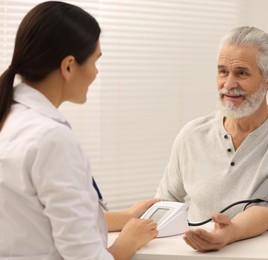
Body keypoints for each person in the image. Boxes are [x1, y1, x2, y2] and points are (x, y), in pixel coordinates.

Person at [0, 2, 158, 259]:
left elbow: (38, 217)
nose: (96, 72)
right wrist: (128, 242)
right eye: (95, 61)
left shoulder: (10, 117)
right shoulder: (50, 138)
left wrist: (127, 217)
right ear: (69, 66)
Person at [155, 26, 268, 252]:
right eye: (223, 71)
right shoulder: (191, 135)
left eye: (241, 73)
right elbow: (165, 203)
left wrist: (230, 232)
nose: (229, 84)